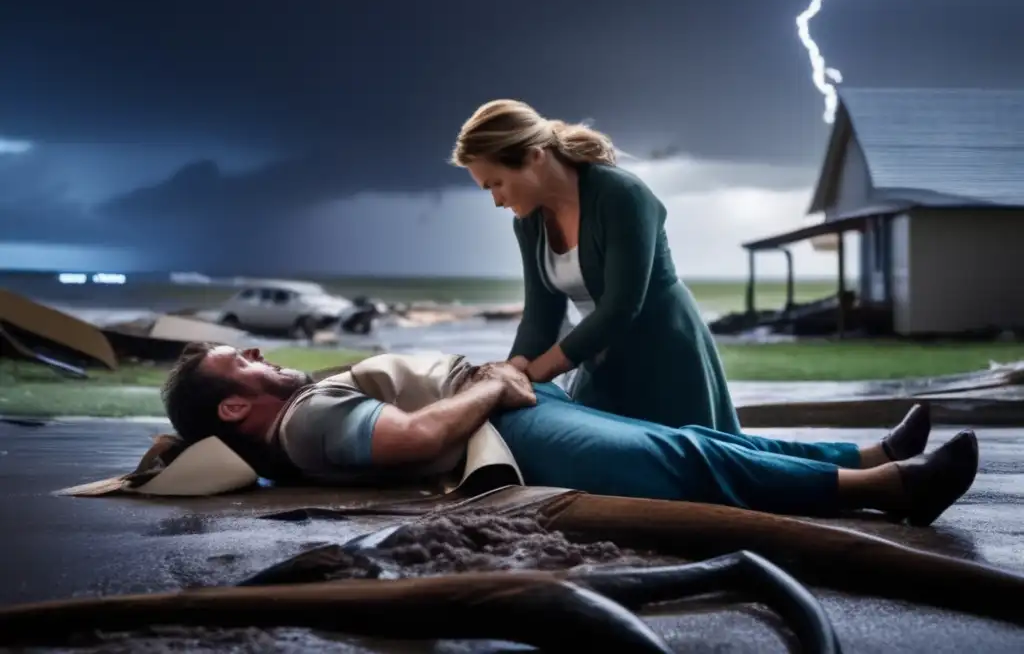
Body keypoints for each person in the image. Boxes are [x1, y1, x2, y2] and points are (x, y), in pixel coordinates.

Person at [160, 343, 978, 527]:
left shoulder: (288, 425)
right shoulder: (305, 425)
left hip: (512, 406)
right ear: (235, 408)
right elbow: (409, 438)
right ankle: (888, 491)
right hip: (509, 432)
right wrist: (491, 383)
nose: (262, 356)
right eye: (245, 360)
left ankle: (869, 455)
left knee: (687, 438)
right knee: (682, 459)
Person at [450, 99, 740, 433]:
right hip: (598, 354)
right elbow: (541, 316)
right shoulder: (529, 223)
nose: (497, 201)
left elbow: (621, 306)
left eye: (496, 183)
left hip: (665, 354)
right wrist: (510, 371)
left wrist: (531, 375)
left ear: (534, 156)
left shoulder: (622, 195)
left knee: (688, 468)